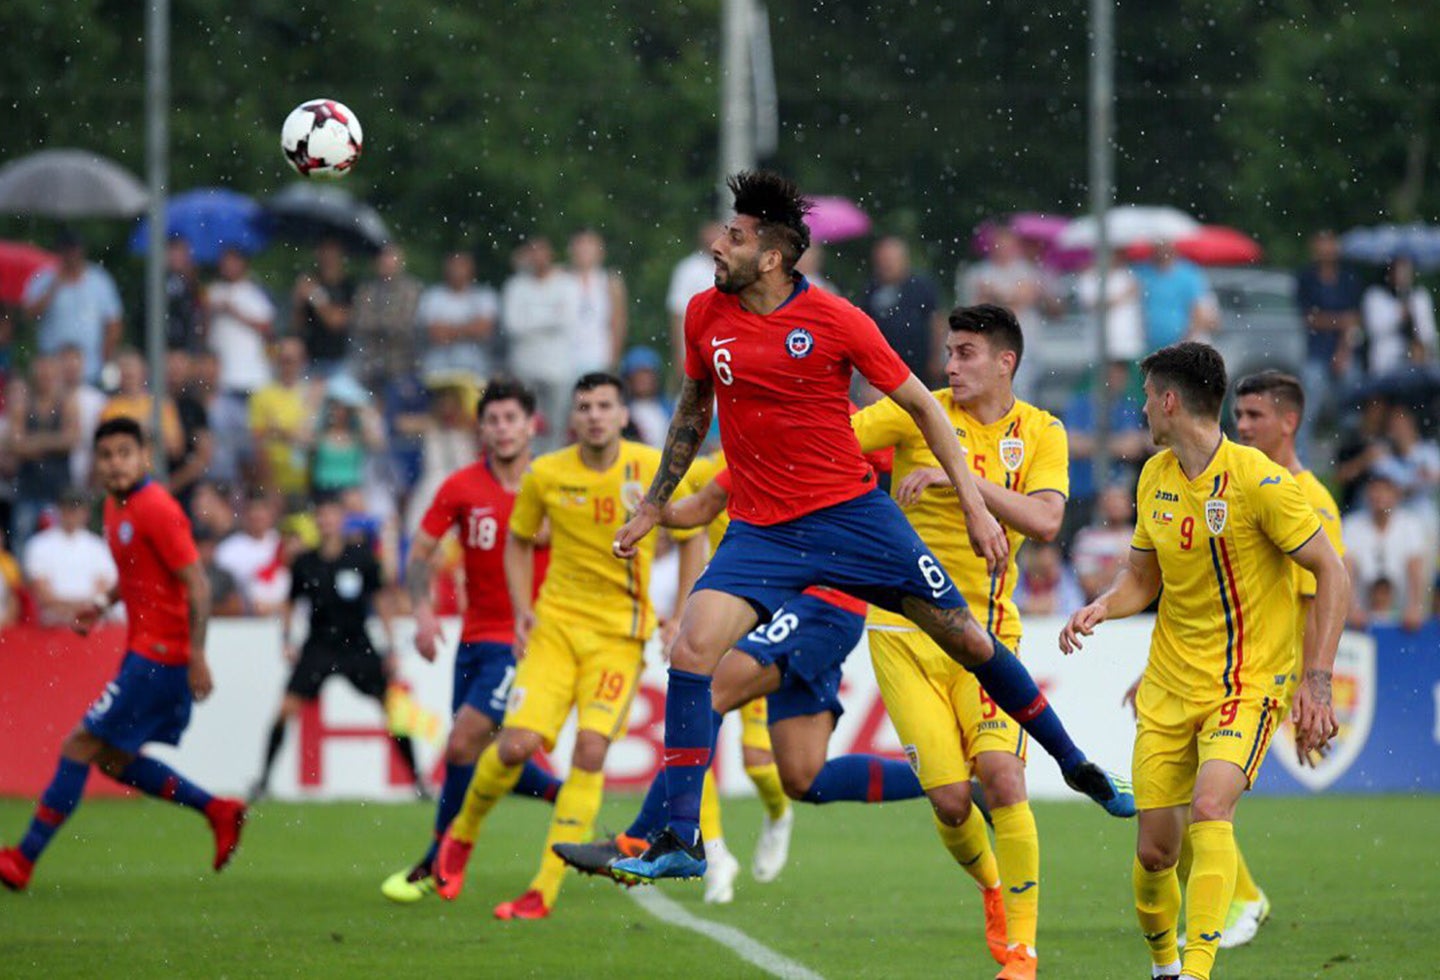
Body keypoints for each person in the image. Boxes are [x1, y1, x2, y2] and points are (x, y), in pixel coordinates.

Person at [607, 172, 1131, 891]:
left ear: (771, 257)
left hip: (853, 520)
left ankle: (1073, 763)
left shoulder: (836, 319)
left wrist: (975, 506)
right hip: (761, 531)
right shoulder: (705, 313)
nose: (718, 244)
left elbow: (924, 406)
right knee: (692, 651)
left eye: (735, 235)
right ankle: (681, 836)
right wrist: (654, 504)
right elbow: (694, 409)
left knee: (969, 639)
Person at [1060, 343, 1348, 980]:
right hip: (1169, 684)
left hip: (1245, 685)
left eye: (1146, 397)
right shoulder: (1153, 477)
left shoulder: (1260, 482)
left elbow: (1331, 571)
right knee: (1156, 852)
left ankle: (1196, 970)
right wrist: (1102, 606)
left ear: (1169, 401)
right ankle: (1164, 968)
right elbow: (1142, 579)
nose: (1141, 409)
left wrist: (1318, 682)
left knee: (1213, 808)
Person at [558, 457, 928, 905]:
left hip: (824, 603)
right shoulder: (750, 450)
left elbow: (903, 447)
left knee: (709, 691)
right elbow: (700, 508)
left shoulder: (835, 436)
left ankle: (640, 838)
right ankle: (951, 780)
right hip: (792, 605)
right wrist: (651, 511)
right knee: (804, 777)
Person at [433, 372, 707, 919]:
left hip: (618, 637)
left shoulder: (652, 468)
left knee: (590, 751)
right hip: (555, 632)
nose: (595, 415)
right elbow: (517, 540)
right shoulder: (547, 474)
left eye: (605, 405)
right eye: (585, 407)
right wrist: (523, 609)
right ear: (571, 418)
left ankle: (544, 888)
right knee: (515, 746)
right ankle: (462, 833)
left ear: (623, 415)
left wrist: (680, 614)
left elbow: (691, 536)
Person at [850, 304, 1071, 980]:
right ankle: (992, 889)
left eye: (965, 353)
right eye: (948, 352)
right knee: (951, 801)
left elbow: (1045, 520)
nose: (949, 366)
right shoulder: (914, 410)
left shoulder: (1042, 431)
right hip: (901, 633)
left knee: (1003, 777)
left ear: (1006, 362)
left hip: (987, 634)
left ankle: (1023, 954)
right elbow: (829, 445)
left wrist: (958, 477)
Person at [0, 417, 246, 891]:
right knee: (112, 760)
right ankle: (217, 809)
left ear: (145, 457)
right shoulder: (115, 507)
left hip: (162, 656)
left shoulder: (157, 508)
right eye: (107, 455)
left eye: (125, 453)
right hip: (144, 653)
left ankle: (23, 860)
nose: (115, 464)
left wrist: (197, 655)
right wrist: (101, 604)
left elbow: (197, 584)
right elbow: (136, 571)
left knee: (78, 745)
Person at [379, 378, 563, 904]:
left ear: (531, 426)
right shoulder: (460, 487)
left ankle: (437, 859)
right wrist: (422, 612)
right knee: (482, 755)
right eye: (493, 420)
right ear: (481, 428)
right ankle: (568, 797)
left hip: (526, 640)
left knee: (461, 742)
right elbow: (420, 552)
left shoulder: (554, 484)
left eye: (511, 419)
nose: (502, 429)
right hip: (474, 639)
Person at [248, 496, 425, 802]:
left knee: (394, 709)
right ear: (317, 522)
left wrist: (391, 646)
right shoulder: (305, 562)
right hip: (318, 646)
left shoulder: (361, 557)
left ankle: (419, 782)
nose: (326, 522)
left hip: (357, 645)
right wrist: (287, 640)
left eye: (331, 515)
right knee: (285, 710)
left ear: (342, 519)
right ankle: (263, 782)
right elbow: (290, 603)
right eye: (321, 516)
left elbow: (381, 601)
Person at [501, 237, 582, 446]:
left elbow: (568, 319)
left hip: (558, 368)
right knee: (526, 422)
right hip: (525, 367)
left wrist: (531, 319)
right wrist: (551, 317)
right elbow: (512, 325)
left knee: (557, 427)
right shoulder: (516, 286)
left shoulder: (567, 283)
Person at [21, 229, 123, 385]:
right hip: (52, 370)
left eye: (74, 250)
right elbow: (29, 315)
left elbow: (114, 324)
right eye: (67, 251)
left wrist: (104, 357)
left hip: (90, 369)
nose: (71, 256)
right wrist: (54, 286)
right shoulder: (43, 278)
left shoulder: (99, 280)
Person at [1294, 230, 1363, 446]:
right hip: (1317, 351)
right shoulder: (1307, 278)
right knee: (1309, 406)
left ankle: (1348, 451)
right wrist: (1340, 321)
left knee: (1351, 407)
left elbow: (1353, 319)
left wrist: (1342, 350)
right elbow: (1309, 319)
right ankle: (1301, 456)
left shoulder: (1348, 278)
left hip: (1343, 349)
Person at [6, 353, 79, 547]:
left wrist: (34, 442)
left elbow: (72, 440)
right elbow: (15, 445)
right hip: (28, 490)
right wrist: (54, 442)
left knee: (61, 545)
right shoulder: (23, 405)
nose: (45, 378)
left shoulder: (67, 403)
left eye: (49, 374)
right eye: (42, 374)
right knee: (23, 545)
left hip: (59, 492)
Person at [22, 487, 116, 628]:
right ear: (59, 510)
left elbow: (103, 589)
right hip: (53, 625)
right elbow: (41, 593)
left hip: (90, 624)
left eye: (77, 509)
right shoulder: (38, 544)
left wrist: (83, 610)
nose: (72, 514)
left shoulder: (98, 546)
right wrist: (76, 609)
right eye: (68, 508)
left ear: (86, 512)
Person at [862, 235, 944, 386]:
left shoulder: (921, 286)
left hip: (919, 363)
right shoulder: (871, 289)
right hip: (884, 367)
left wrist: (937, 357)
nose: (887, 265)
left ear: (904, 260)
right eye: (883, 260)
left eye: (891, 260)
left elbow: (936, 321)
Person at [205, 248, 276, 409]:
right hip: (222, 379)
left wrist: (234, 312)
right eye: (225, 262)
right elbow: (204, 330)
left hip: (253, 377)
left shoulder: (255, 291)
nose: (228, 266)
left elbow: (268, 328)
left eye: (233, 261)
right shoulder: (213, 291)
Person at [416, 250, 498, 385]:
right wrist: (469, 329)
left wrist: (449, 330)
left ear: (472, 269)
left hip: (476, 365)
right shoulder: (432, 296)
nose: (457, 270)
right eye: (453, 265)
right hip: (439, 365)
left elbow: (484, 331)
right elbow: (436, 334)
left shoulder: (484, 296)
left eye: (462, 265)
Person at [248, 338, 316, 503]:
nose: (286, 366)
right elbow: (258, 442)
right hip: (274, 482)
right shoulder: (262, 395)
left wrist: (279, 432)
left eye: (291, 361)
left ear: (303, 361)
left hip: (306, 483)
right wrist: (269, 485)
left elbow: (313, 438)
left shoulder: (312, 394)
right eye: (282, 360)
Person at [352, 244, 424, 394]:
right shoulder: (366, 290)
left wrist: (377, 322)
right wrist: (388, 321)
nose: (385, 262)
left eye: (389, 257)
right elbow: (360, 323)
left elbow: (404, 325)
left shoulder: (412, 289)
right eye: (382, 257)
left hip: (403, 366)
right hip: (370, 367)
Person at [1132, 242, 1218, 350]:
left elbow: (1201, 312)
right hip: (1146, 345)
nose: (1161, 249)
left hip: (1181, 344)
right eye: (1158, 243)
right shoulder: (1141, 271)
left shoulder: (1189, 274)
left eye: (1165, 243)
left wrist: (1185, 342)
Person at [668, 220, 726, 375]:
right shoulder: (688, 269)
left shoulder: (733, 267)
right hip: (698, 349)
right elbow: (678, 314)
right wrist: (680, 354)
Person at [291, 239, 356, 378]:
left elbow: (337, 322)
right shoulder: (310, 282)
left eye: (332, 251)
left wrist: (315, 296)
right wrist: (298, 302)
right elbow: (297, 326)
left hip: (340, 361)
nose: (327, 256)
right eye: (324, 251)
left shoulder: (349, 287)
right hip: (311, 360)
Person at [568, 229, 628, 374]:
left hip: (599, 357)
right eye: (580, 244)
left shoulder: (610, 282)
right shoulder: (560, 279)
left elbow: (618, 322)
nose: (584, 250)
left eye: (589, 245)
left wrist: (614, 359)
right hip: (564, 359)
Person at [164, 238, 205, 353]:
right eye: (173, 253)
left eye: (180, 254)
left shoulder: (193, 283)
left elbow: (197, 316)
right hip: (165, 345)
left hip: (187, 347)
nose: (176, 258)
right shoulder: (158, 281)